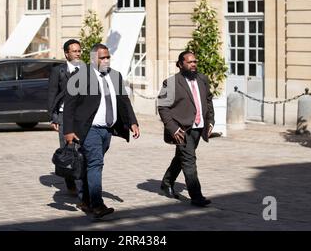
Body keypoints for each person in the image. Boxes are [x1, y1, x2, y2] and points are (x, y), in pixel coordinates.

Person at [63, 43, 140, 219]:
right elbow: (69, 106)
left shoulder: (115, 76)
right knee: (96, 164)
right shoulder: (80, 77)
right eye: (102, 57)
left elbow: (123, 101)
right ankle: (97, 205)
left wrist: (132, 122)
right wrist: (68, 130)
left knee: (91, 165)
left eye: (107, 57)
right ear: (93, 58)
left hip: (108, 130)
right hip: (89, 129)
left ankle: (85, 200)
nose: (106, 60)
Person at [157, 51, 214, 207]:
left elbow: (208, 101)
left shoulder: (202, 79)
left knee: (182, 157)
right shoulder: (171, 83)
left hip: (198, 127)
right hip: (181, 129)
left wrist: (210, 122)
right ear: (180, 64)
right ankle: (196, 196)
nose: (193, 64)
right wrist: (173, 129)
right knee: (189, 160)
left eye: (195, 61)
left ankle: (166, 182)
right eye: (189, 62)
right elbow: (163, 107)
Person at [48, 39, 82, 195]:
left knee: (81, 148)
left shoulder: (86, 69)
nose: (77, 53)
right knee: (67, 149)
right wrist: (53, 117)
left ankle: (82, 178)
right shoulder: (58, 71)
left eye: (79, 51)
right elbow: (52, 94)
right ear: (66, 53)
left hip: (81, 116)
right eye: (74, 51)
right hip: (63, 115)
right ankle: (71, 184)